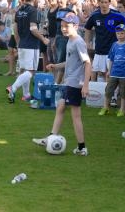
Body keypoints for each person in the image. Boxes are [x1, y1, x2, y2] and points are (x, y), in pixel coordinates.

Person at [33, 12, 91, 156]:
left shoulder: (78, 42)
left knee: (75, 115)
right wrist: (56, 66)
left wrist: (85, 85)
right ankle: (50, 137)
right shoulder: (70, 41)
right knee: (60, 107)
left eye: (67, 26)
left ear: (76, 26)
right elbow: (70, 62)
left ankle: (82, 147)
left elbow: (88, 63)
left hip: (75, 84)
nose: (64, 29)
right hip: (69, 82)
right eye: (63, 26)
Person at [6, 0, 50, 103]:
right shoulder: (33, 10)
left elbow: (15, 28)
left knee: (25, 70)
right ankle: (13, 88)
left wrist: (18, 41)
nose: (40, 1)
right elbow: (33, 29)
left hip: (22, 44)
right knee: (31, 71)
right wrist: (43, 39)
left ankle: (26, 94)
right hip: (31, 44)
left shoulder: (20, 10)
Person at [84, 0, 125, 82]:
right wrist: (87, 42)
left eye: (106, 2)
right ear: (98, 3)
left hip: (113, 51)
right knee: (97, 73)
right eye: (102, 2)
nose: (104, 5)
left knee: (111, 75)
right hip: (99, 50)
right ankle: (97, 93)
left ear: (110, 3)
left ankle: (112, 95)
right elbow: (87, 28)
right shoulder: (94, 16)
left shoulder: (116, 15)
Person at [99, 24, 125, 117]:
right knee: (108, 90)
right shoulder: (114, 45)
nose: (119, 35)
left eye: (122, 33)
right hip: (114, 72)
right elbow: (111, 59)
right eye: (118, 33)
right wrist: (109, 70)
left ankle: (122, 109)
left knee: (123, 92)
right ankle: (106, 107)